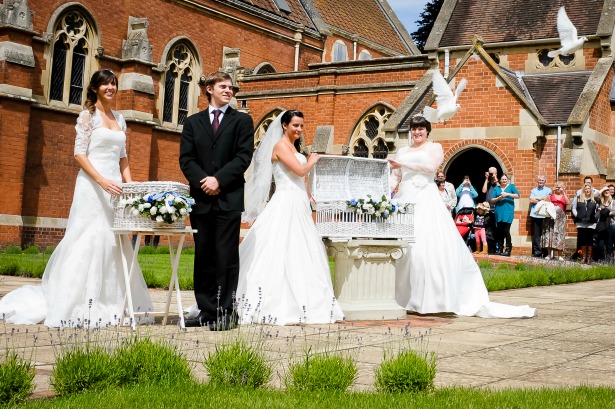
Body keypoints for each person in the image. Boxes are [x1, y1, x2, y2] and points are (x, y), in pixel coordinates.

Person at [0, 69, 153, 326]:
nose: (111, 88)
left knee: (116, 242)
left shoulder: (121, 120)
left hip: (115, 188)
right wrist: (103, 181)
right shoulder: (87, 117)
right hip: (93, 187)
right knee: (90, 238)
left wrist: (130, 184)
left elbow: (123, 156)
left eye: (113, 84)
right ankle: (78, 302)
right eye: (105, 84)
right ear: (95, 89)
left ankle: (112, 302)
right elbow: (80, 155)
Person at [388, 115, 535, 318]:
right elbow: (395, 177)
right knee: (403, 249)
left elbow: (430, 168)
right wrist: (384, 196)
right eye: (414, 129)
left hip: (425, 199)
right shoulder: (402, 151)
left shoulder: (434, 148)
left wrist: (403, 164)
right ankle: (402, 297)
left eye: (421, 129)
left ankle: (433, 299)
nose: (417, 132)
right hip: (405, 198)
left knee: (427, 247)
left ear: (427, 131)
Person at [236, 110, 344, 325]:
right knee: (279, 245)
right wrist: (312, 160)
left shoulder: (293, 147)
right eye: (295, 125)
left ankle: (308, 300)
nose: (299, 129)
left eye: (302, 126)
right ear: (284, 125)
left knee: (302, 248)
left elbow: (300, 178)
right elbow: (299, 170)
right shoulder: (280, 146)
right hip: (285, 202)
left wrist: (309, 193)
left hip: (299, 201)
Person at [179, 71, 254, 330]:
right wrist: (204, 181)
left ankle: (226, 313)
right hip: (201, 199)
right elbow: (186, 159)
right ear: (209, 89)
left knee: (226, 257)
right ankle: (206, 311)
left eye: (231, 88)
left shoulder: (242, 121)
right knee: (204, 256)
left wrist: (218, 180)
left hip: (228, 199)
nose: (229, 91)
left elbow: (243, 157)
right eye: (223, 86)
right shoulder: (192, 123)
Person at [570, 176, 600, 260]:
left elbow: (598, 209)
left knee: (590, 240)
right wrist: (577, 215)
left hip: (591, 223)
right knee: (582, 240)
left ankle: (589, 257)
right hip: (581, 222)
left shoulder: (595, 199)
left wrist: (595, 216)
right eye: (586, 189)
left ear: (591, 190)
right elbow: (573, 208)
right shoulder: (579, 198)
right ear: (584, 189)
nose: (587, 190)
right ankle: (583, 257)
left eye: (589, 189)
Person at [492, 174, 520, 257]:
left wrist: (507, 194)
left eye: (505, 179)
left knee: (506, 230)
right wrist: (499, 198)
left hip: (508, 211)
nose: (504, 180)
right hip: (499, 211)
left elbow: (518, 195)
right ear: (500, 180)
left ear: (507, 180)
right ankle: (500, 249)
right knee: (500, 231)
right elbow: (492, 200)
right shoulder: (497, 188)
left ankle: (508, 249)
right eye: (502, 179)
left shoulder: (511, 187)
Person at [542, 181, 568, 261]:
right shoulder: (551, 195)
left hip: (560, 219)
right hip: (550, 218)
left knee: (559, 235)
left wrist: (563, 192)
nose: (558, 188)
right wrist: (552, 192)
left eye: (560, 186)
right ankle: (549, 254)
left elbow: (568, 202)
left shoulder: (563, 196)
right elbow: (545, 202)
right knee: (550, 234)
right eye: (557, 186)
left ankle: (560, 255)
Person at [529, 175, 551, 257]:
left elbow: (548, 199)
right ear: (537, 181)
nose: (540, 181)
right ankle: (537, 251)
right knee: (536, 234)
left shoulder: (548, 190)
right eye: (539, 180)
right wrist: (542, 199)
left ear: (545, 182)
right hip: (535, 215)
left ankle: (545, 252)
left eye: (542, 180)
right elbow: (531, 200)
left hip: (545, 215)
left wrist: (538, 198)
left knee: (545, 234)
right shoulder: (533, 190)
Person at [482, 167, 500, 253]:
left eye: (493, 173)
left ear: (496, 173)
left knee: (496, 229)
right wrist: (486, 179)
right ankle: (489, 248)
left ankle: (497, 248)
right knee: (488, 229)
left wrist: (495, 178)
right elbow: (484, 191)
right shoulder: (488, 183)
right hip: (488, 209)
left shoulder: (498, 182)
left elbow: (500, 190)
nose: (492, 175)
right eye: (490, 173)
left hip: (496, 208)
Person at [596, 187, 614, 262]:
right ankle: (601, 259)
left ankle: (608, 259)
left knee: (609, 243)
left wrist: (606, 212)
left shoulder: (613, 202)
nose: (606, 191)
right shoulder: (600, 202)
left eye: (608, 190)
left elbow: (614, 211)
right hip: (601, 224)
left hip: (610, 224)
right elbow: (595, 196)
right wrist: (603, 189)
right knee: (601, 243)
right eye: (605, 191)